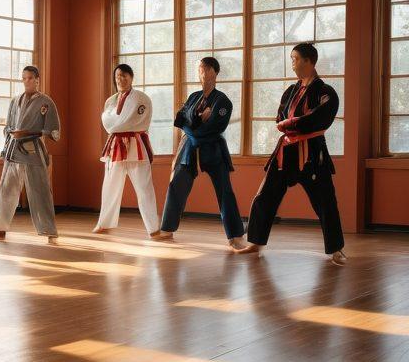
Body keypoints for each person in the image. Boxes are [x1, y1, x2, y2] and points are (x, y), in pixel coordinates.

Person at [238, 41, 346, 264]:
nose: (293, 64)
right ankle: (255, 241)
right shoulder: (291, 90)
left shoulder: (326, 92)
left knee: (325, 201)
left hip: (313, 152)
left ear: (309, 61)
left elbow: (320, 117)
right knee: (265, 194)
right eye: (292, 60)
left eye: (295, 59)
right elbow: (280, 118)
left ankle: (336, 249)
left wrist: (293, 122)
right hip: (286, 151)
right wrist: (288, 123)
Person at [156, 56, 246, 248]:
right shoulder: (194, 97)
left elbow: (214, 127)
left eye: (205, 69)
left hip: (213, 149)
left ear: (214, 72)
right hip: (190, 148)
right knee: (176, 184)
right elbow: (180, 120)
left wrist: (192, 124)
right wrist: (196, 120)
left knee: (224, 191)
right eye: (199, 69)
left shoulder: (223, 101)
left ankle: (235, 235)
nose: (202, 72)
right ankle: (167, 229)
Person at [0, 65, 61, 243]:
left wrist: (27, 133)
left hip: (33, 151)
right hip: (13, 151)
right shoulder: (15, 101)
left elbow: (52, 131)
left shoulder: (46, 102)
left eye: (30, 78)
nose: (26, 81)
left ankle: (50, 231)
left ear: (37, 80)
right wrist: (7, 143)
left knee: (40, 191)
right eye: (24, 78)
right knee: (5, 190)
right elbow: (8, 126)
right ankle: (0, 230)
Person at [94, 63, 161, 237]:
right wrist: (116, 126)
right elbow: (106, 123)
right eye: (118, 76)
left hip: (136, 143)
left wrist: (115, 125)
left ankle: (153, 227)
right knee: (109, 185)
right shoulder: (111, 101)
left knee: (144, 186)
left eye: (124, 75)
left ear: (131, 77)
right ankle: (104, 223)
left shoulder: (141, 98)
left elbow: (131, 121)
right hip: (116, 144)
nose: (121, 79)